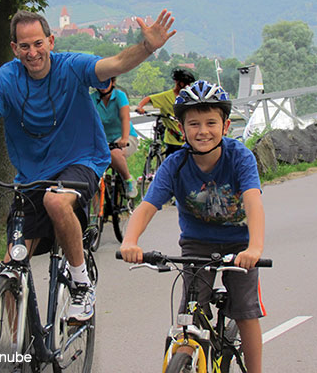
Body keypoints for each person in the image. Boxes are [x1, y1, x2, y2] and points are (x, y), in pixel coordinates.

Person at [0, 8, 176, 322]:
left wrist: (147, 47)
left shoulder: (72, 66)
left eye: (38, 43)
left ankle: (81, 282)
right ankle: (16, 353)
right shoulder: (3, 80)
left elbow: (115, 64)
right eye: (24, 46)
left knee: (55, 201)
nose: (33, 52)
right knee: (9, 272)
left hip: (81, 160)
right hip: (32, 176)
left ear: (50, 41)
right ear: (14, 48)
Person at [121, 80, 266, 373]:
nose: (203, 131)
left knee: (245, 312)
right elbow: (147, 206)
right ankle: (184, 362)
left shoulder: (239, 157)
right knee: (188, 317)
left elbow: (253, 203)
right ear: (182, 128)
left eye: (211, 122)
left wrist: (255, 248)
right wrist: (130, 241)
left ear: (225, 126)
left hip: (239, 246)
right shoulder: (174, 164)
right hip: (197, 246)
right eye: (194, 124)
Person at [91, 77, 139, 198]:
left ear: (113, 82)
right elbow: (88, 121)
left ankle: (129, 181)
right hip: (104, 141)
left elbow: (125, 118)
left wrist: (124, 138)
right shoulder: (92, 99)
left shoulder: (119, 96)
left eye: (106, 82)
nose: (103, 85)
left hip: (126, 137)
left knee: (115, 154)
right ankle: (97, 210)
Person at [136, 68, 195, 157]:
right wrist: (140, 107)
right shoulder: (166, 96)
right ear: (177, 82)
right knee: (172, 164)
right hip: (173, 138)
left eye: (189, 84)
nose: (187, 86)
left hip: (188, 137)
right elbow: (148, 98)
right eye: (185, 83)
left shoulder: (190, 97)